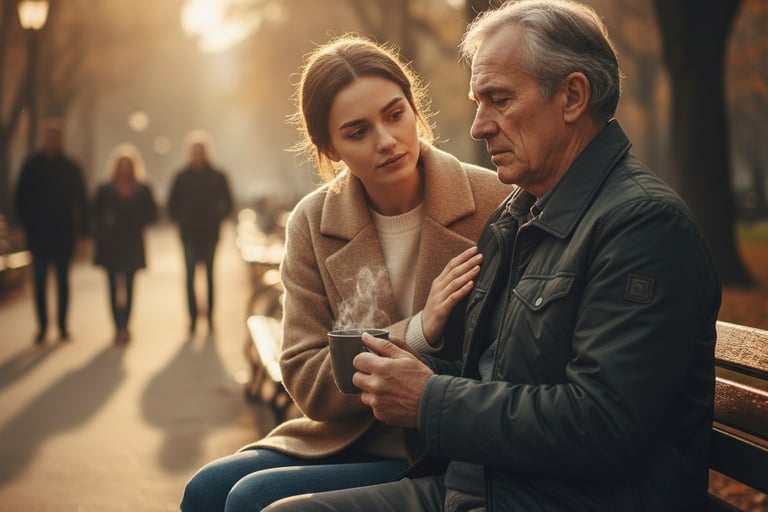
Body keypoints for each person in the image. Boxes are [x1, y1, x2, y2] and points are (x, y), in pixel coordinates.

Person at [262, 1, 722, 511]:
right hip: (488, 480)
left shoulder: (642, 226)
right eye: (478, 102)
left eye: (498, 100)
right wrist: (418, 346)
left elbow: (605, 423)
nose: (478, 128)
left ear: (572, 96)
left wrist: (428, 396)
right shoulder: (522, 213)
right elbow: (496, 371)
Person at [179, 35, 513, 512]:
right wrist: (416, 332)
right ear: (329, 147)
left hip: (443, 450)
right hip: (339, 437)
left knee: (249, 498)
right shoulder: (314, 221)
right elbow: (307, 377)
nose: (387, 141)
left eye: (395, 114)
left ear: (414, 108)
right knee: (205, 489)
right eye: (357, 132)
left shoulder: (494, 203)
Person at [14, 117, 89, 344]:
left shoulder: (70, 166)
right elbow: (19, 196)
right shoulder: (31, 165)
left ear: (60, 140)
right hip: (38, 234)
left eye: (56, 137)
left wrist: (83, 233)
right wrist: (24, 223)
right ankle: (42, 326)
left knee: (63, 282)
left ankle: (63, 326)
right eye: (49, 136)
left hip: (64, 233)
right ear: (43, 139)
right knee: (39, 282)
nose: (52, 140)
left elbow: (82, 201)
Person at [91, 144, 158, 344]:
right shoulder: (104, 189)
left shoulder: (142, 188)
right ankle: (117, 326)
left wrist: (137, 219)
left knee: (129, 285)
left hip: (132, 243)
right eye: (121, 165)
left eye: (127, 165)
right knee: (112, 286)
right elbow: (93, 213)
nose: (124, 169)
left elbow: (152, 214)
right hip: (110, 244)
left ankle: (126, 325)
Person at [167, 131, 234, 335]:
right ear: (190, 153)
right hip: (188, 235)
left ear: (206, 152)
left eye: (201, 151)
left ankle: (211, 318)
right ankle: (193, 318)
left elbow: (229, 203)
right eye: (194, 151)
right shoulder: (181, 177)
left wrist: (216, 215)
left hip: (210, 234)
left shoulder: (218, 176)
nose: (197, 154)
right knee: (189, 277)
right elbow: (171, 206)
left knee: (210, 277)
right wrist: (182, 218)